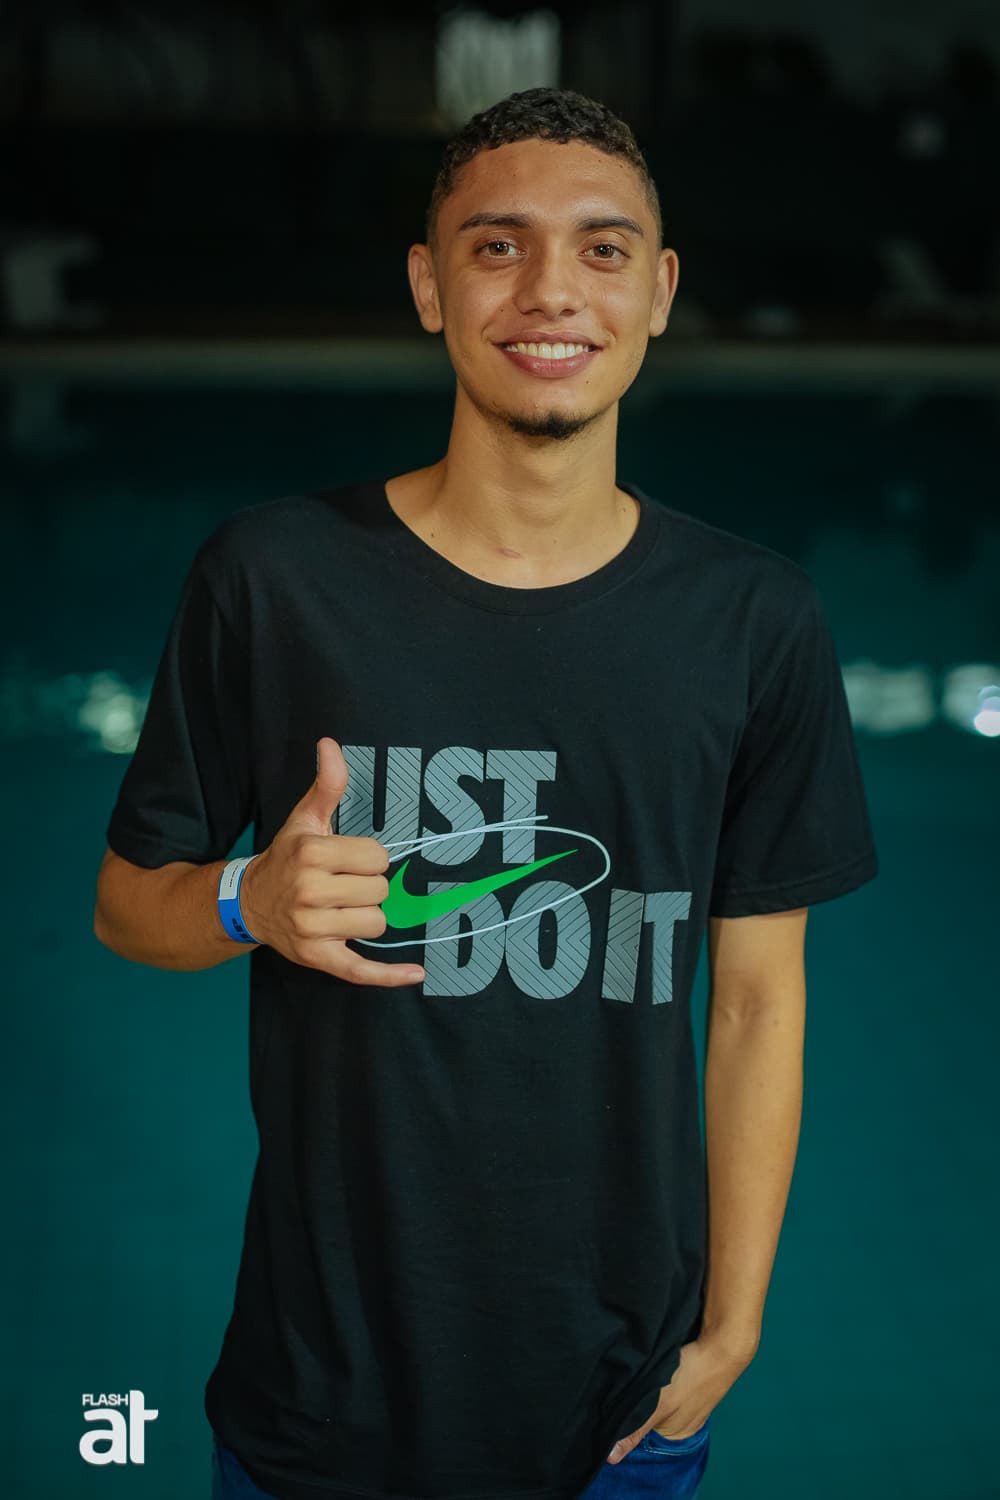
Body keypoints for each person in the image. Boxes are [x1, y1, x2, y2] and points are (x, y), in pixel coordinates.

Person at [93, 87, 878, 1500]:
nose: (550, 291)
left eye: (602, 249)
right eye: (498, 245)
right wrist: (248, 899)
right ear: (428, 285)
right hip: (318, 1403)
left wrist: (734, 1328)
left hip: (621, 1413)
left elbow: (759, 1001)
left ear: (658, 292)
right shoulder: (274, 580)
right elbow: (125, 907)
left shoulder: (754, 621)